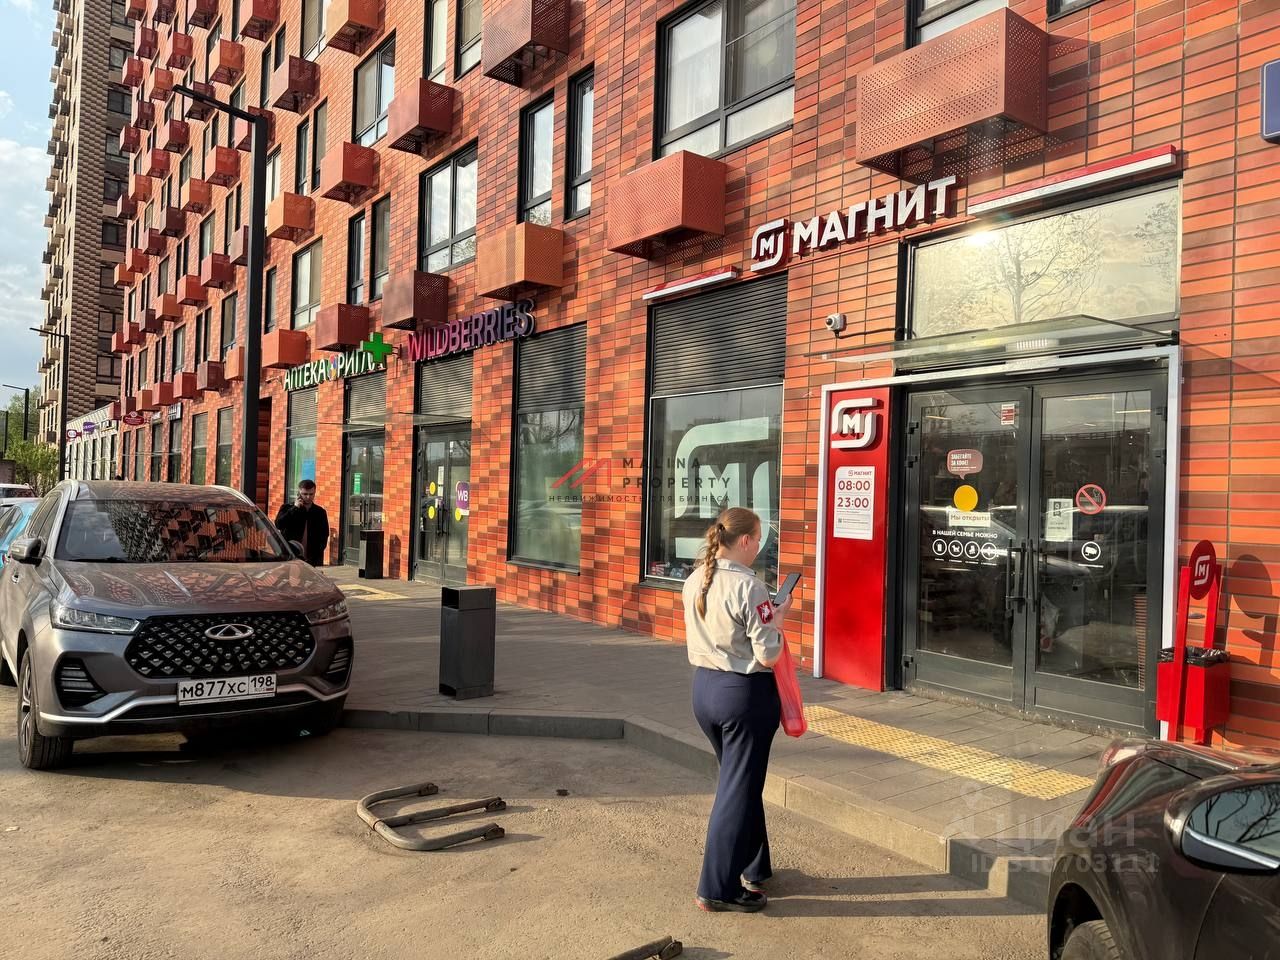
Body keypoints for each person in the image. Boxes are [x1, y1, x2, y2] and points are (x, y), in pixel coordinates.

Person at [681, 507, 793, 913]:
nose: (760, 545)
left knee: (739, 783)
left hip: (704, 691)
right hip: (744, 695)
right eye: (759, 538)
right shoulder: (751, 587)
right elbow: (767, 655)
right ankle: (717, 887)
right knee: (737, 789)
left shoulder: (694, 579)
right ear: (744, 541)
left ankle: (753, 864)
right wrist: (778, 620)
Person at [275, 479, 329, 566]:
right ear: (299, 493)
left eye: (311, 494)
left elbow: (324, 534)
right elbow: (279, 524)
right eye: (305, 494)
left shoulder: (320, 512)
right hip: (290, 554)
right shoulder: (287, 507)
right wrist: (295, 508)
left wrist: (318, 550)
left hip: (312, 557)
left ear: (315, 493)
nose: (308, 497)